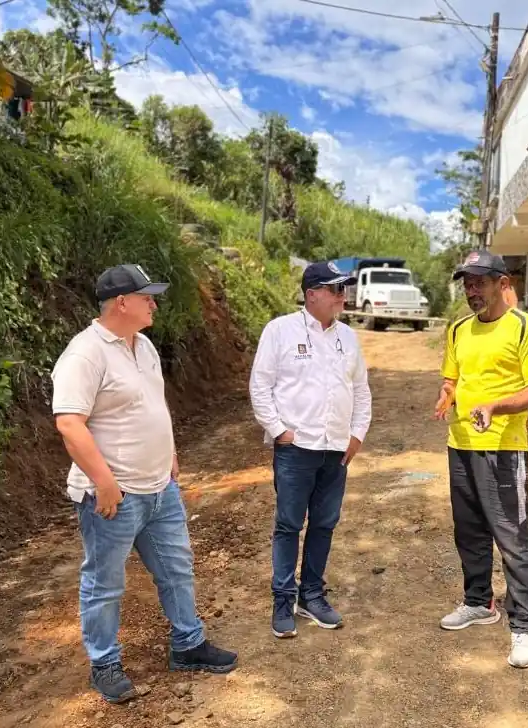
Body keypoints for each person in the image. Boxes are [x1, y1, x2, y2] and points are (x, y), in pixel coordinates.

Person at [50, 263, 237, 704]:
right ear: (121, 302)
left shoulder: (145, 346)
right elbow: (70, 424)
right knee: (105, 582)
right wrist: (105, 482)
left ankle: (189, 645)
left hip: (159, 489)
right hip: (114, 496)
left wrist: (169, 452)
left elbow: (153, 403)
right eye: (147, 297)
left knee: (177, 569)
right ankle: (105, 664)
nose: (154, 303)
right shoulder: (85, 354)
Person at [432, 250, 528, 669]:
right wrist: (447, 395)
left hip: (503, 448)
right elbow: (453, 376)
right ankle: (478, 603)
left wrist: (495, 406)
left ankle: (523, 626)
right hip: (460, 445)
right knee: (469, 532)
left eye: (479, 282)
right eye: (466, 283)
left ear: (502, 283)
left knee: (513, 537)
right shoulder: (459, 329)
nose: (471, 290)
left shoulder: (524, 327)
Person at [249, 261, 372, 639]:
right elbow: (260, 386)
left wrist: (357, 434)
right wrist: (279, 431)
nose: (343, 296)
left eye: (343, 289)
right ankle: (283, 600)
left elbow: (361, 390)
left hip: (336, 450)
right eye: (336, 289)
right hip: (296, 449)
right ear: (312, 293)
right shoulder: (280, 330)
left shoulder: (348, 337)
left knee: (324, 524)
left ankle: (312, 596)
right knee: (288, 525)